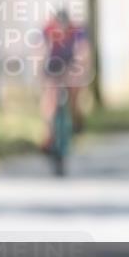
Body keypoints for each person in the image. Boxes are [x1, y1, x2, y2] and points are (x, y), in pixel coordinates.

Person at [40, 8, 90, 151]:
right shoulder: (48, 30)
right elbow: (41, 51)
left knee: (75, 92)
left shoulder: (77, 31)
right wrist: (40, 75)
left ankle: (77, 121)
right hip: (53, 65)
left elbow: (83, 52)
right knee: (49, 99)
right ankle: (48, 134)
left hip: (71, 64)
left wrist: (80, 71)